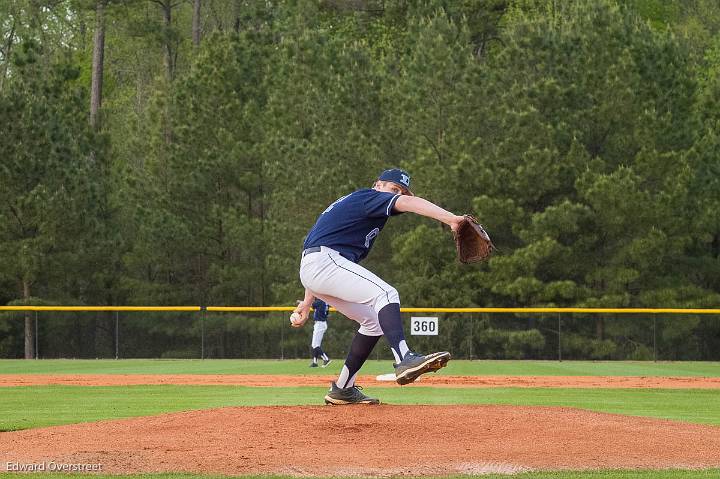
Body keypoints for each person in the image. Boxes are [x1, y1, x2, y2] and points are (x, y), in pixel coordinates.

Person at [291, 168, 466, 405]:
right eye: (393, 189)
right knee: (385, 293)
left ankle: (342, 388)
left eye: (400, 191)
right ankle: (405, 358)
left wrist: (306, 303)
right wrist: (452, 219)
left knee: (373, 322)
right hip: (322, 262)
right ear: (377, 185)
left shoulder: (358, 209)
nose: (396, 194)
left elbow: (319, 248)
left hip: (318, 265)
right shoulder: (367, 197)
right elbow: (409, 203)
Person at [309, 298, 332, 368]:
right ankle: (315, 362)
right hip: (322, 323)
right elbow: (327, 313)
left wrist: (302, 302)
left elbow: (311, 305)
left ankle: (326, 359)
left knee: (315, 345)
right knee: (316, 345)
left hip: (319, 324)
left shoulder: (319, 301)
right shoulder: (326, 301)